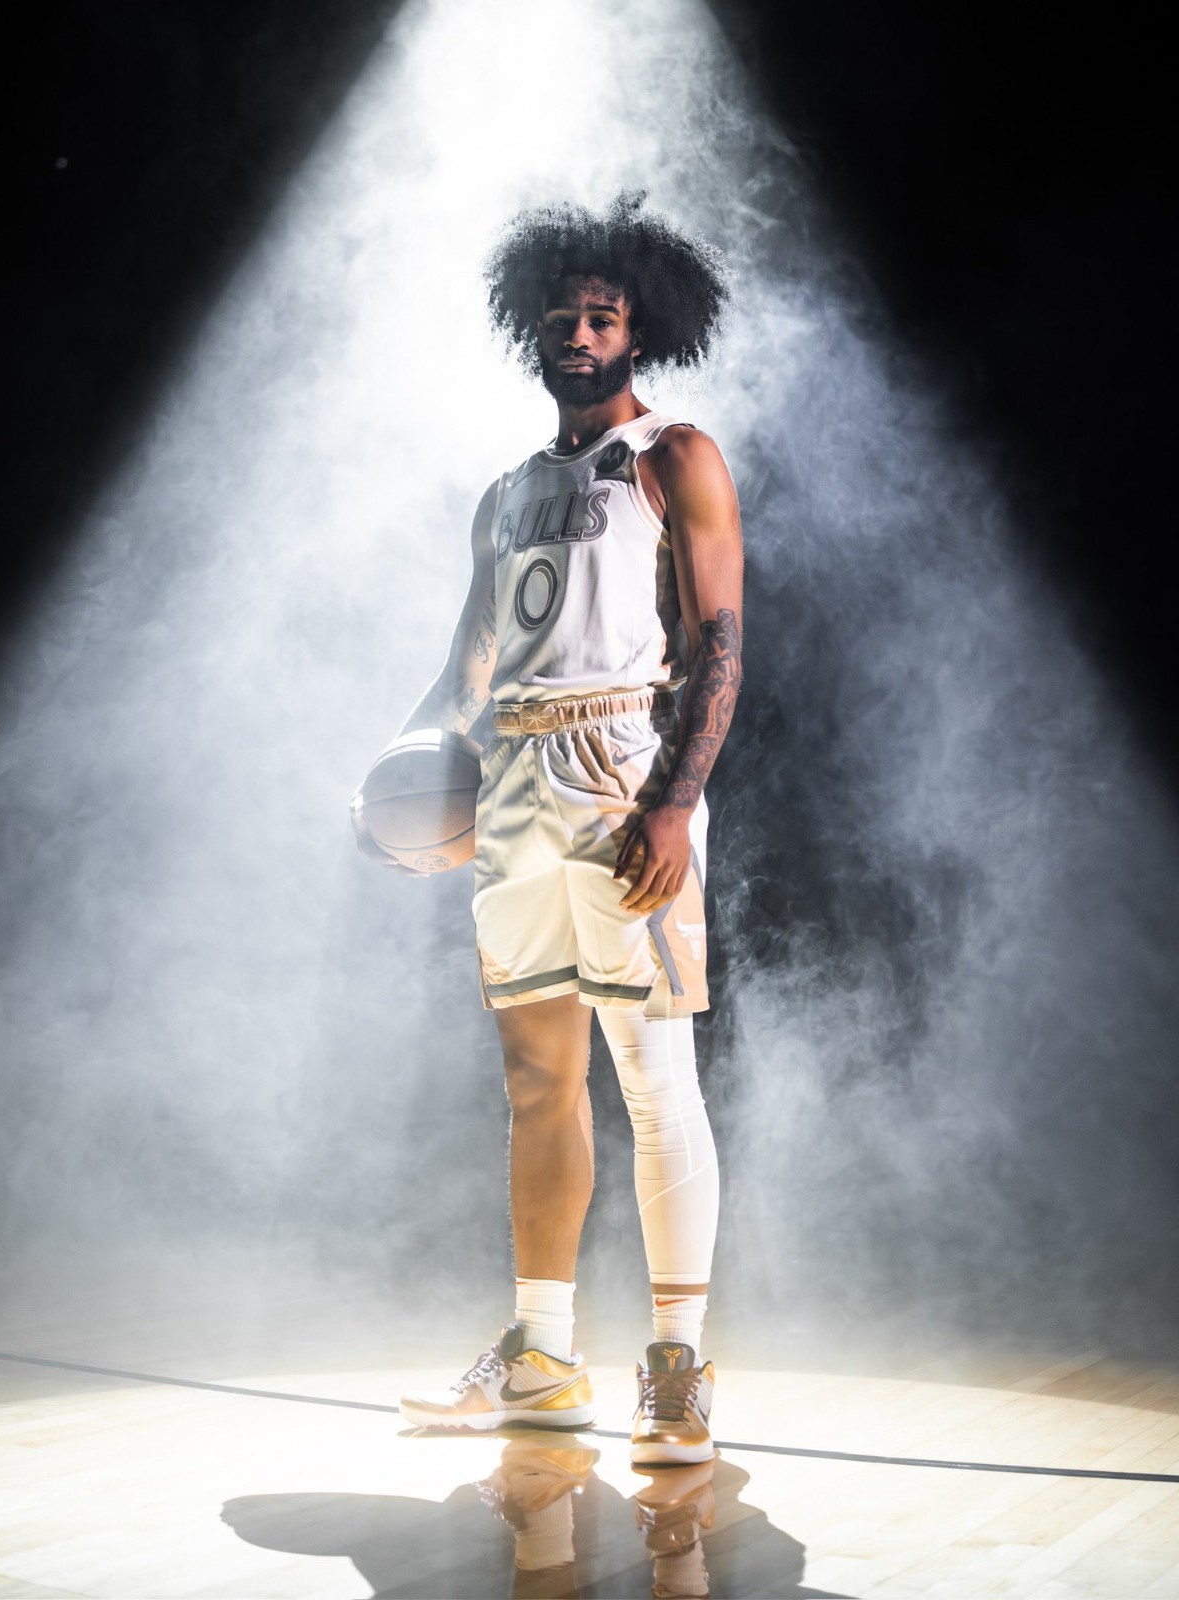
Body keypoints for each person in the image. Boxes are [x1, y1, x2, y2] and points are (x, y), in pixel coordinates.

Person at [355, 194, 742, 1465]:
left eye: (601, 316)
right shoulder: (507, 491)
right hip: (514, 780)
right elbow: (466, 666)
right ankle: (540, 1352)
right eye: (560, 315)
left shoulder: (674, 455)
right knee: (537, 1084)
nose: (577, 333)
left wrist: (673, 801)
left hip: (624, 767)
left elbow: (720, 646)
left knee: (653, 1078)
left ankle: (675, 1365)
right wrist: (396, 772)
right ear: (530, 327)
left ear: (639, 329)